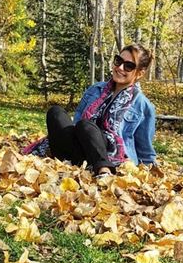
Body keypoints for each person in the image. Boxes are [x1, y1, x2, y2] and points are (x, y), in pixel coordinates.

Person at [21, 43, 157, 178]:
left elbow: (145, 149)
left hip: (110, 156)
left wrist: (149, 172)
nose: (120, 67)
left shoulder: (143, 106)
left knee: (86, 125)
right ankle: (69, 164)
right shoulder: (95, 89)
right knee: (55, 112)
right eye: (118, 61)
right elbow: (76, 122)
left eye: (128, 66)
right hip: (78, 148)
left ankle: (103, 170)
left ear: (139, 73)